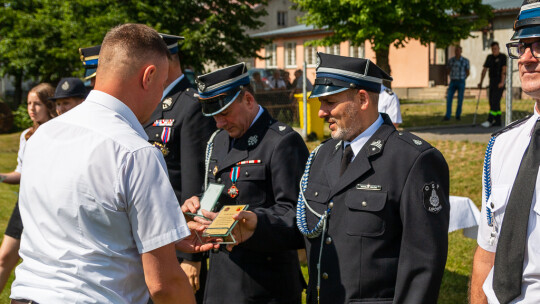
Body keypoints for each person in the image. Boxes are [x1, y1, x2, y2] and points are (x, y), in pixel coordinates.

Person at [214, 53, 450, 303]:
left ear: (362, 99)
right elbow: (308, 225)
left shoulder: (412, 159)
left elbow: (423, 264)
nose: (321, 113)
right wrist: (258, 225)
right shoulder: (323, 155)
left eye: (329, 102)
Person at [10, 23, 216, 304]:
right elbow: (163, 284)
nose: (161, 97)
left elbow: (76, 222)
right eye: (163, 85)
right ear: (149, 76)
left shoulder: (43, 135)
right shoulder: (135, 152)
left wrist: (164, 234)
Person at [183, 62, 309, 303]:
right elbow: (218, 192)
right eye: (214, 116)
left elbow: (299, 216)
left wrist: (255, 223)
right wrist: (198, 206)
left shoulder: (282, 142)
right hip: (221, 281)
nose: (219, 123)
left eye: (224, 114)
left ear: (248, 100)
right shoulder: (219, 139)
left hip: (263, 285)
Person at [471, 1, 540, 303]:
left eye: (539, 46)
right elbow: (488, 251)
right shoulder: (502, 145)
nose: (526, 58)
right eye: (522, 46)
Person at [143, 33, 216, 302]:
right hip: (149, 233)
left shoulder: (190, 105)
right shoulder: (147, 103)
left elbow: (194, 187)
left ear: (166, 61)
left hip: (177, 242)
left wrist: (191, 257)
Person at [0, 83, 56, 293]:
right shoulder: (26, 136)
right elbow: (21, 173)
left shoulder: (61, 134)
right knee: (4, 257)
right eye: (28, 104)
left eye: (37, 104)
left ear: (49, 105)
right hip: (25, 205)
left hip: (51, 209)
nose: (32, 109)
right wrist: (1, 177)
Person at [478, 42, 507, 128]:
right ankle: (498, 120)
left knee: (495, 101)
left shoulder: (502, 57)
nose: (494, 50)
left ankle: (490, 120)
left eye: (496, 48)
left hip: (499, 82)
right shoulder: (489, 57)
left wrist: (502, 82)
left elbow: (504, 70)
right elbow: (484, 70)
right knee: (492, 102)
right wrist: (481, 82)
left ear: (498, 48)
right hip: (492, 81)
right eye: (493, 49)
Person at [444, 45, 470, 121]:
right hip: (453, 81)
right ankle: (447, 115)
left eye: (458, 50)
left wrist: (464, 78)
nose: (457, 52)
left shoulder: (465, 61)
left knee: (460, 99)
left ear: (461, 51)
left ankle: (458, 115)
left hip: (461, 81)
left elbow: (468, 72)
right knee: (449, 98)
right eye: (456, 51)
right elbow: (448, 70)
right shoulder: (451, 60)